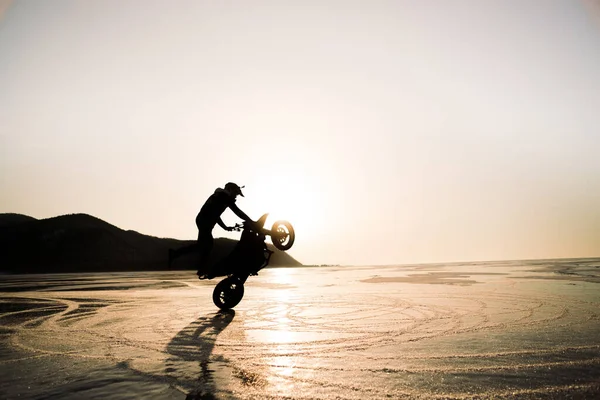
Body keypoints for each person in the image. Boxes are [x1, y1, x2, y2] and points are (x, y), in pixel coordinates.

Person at [168, 182, 252, 279]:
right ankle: (200, 268)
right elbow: (237, 212)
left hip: (203, 220)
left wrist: (225, 227)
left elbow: (216, 214)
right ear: (230, 190)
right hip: (205, 221)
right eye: (236, 193)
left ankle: (178, 255)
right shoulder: (224, 197)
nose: (236, 196)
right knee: (207, 245)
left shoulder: (219, 196)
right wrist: (251, 221)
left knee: (203, 245)